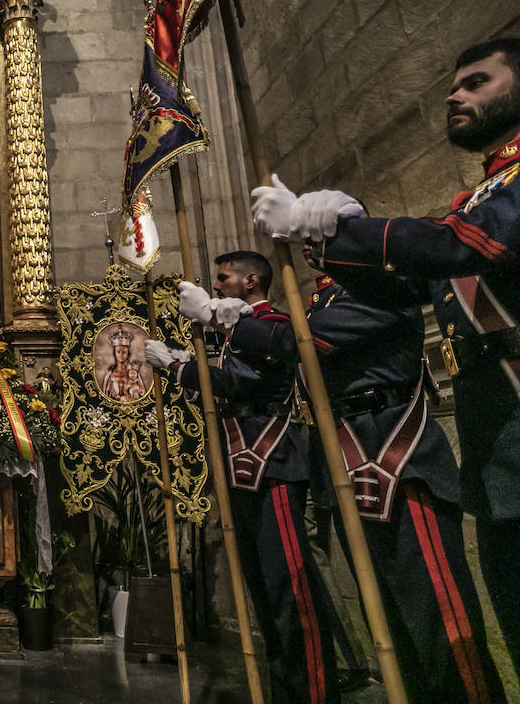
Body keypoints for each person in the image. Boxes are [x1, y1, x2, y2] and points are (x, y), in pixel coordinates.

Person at [251, 37, 520, 704]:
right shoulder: (483, 196)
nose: (454, 96)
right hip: (507, 449)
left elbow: (474, 244)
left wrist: (346, 227)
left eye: (475, 82)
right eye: (454, 85)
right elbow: (409, 291)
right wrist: (323, 241)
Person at [235, 258, 503, 703]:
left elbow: (304, 341)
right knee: (391, 625)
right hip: (344, 464)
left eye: (317, 235)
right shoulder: (326, 298)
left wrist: (226, 319)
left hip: (396, 462)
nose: (307, 251)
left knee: (440, 624)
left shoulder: (382, 285)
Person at [144, 251, 340, 704]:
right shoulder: (240, 329)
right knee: (265, 591)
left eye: (224, 278)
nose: (218, 286)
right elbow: (228, 375)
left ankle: (313, 693)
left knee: (289, 587)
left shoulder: (268, 321)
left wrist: (179, 367)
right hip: (244, 461)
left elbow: (239, 382)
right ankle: (285, 691)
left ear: (251, 280)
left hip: (272, 460)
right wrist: (185, 361)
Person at [98, 325, 147, 401]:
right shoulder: (110, 375)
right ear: (114, 353)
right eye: (118, 352)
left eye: (124, 352)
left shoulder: (133, 373)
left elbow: (142, 394)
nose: (121, 355)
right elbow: (105, 397)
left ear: (128, 353)